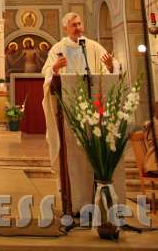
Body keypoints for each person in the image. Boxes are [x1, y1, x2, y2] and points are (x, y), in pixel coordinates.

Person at [42, 13, 119, 214]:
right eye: (74, 25)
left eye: (79, 24)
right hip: (68, 114)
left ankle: (99, 199)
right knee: (72, 157)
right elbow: (47, 74)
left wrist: (111, 66)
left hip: (94, 112)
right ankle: (74, 201)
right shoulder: (58, 49)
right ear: (65, 28)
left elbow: (111, 67)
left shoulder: (92, 47)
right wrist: (55, 70)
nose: (78, 28)